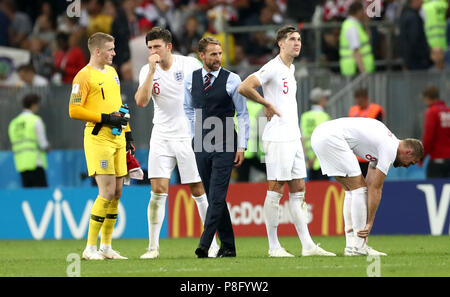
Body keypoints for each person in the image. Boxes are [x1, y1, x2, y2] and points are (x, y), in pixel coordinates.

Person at [238, 25, 335, 257]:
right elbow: (244, 86)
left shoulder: (290, 70)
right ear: (280, 43)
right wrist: (266, 104)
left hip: (292, 136)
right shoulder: (272, 67)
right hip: (278, 136)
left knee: (299, 188)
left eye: (299, 39)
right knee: (275, 189)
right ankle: (273, 247)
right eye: (292, 39)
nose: (297, 42)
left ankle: (308, 245)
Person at [134, 27, 220, 259]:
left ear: (169, 47)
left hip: (188, 136)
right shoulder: (146, 70)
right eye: (150, 48)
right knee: (158, 190)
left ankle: (211, 243)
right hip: (161, 135)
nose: (153, 51)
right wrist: (151, 72)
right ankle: (152, 248)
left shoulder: (189, 65)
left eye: (157, 47)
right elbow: (141, 101)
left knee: (197, 189)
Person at [311, 117, 424, 255]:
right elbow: (376, 188)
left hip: (319, 135)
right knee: (358, 189)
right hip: (331, 138)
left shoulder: (386, 141)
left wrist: (367, 220)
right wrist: (369, 223)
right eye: (411, 162)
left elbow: (370, 184)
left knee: (352, 190)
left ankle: (351, 246)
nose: (407, 167)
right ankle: (359, 246)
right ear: (408, 152)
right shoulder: (389, 148)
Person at [184, 36, 250, 258]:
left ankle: (204, 243)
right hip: (201, 142)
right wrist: (194, 136)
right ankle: (228, 247)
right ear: (201, 55)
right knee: (215, 196)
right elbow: (188, 109)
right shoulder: (191, 80)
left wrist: (241, 146)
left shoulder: (232, 79)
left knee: (217, 194)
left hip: (225, 141)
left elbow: (242, 114)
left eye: (220, 53)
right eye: (213, 54)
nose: (218, 58)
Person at [69, 32, 131, 260]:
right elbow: (74, 110)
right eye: (110, 49)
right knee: (105, 191)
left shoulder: (113, 73)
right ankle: (89, 248)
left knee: (116, 193)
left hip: (117, 137)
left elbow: (118, 106)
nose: (114, 53)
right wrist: (104, 118)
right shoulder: (83, 77)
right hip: (98, 138)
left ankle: (106, 247)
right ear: (97, 51)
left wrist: (129, 134)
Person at [8, 93, 49, 188]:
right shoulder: (35, 120)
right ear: (34, 105)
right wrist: (47, 148)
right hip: (36, 162)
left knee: (28, 195)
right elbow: (43, 144)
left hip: (21, 163)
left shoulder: (13, 123)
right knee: (41, 196)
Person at [348, 88, 385, 177]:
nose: (358, 102)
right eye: (356, 100)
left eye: (360, 100)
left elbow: (379, 131)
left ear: (366, 98)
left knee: (371, 183)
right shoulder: (353, 110)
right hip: (355, 156)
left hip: (370, 154)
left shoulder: (376, 110)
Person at [300, 88, 332, 181]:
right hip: (322, 160)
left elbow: (302, 139)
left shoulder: (304, 116)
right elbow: (323, 140)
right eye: (325, 98)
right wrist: (314, 159)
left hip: (308, 162)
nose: (326, 100)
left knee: (312, 190)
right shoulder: (325, 117)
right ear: (321, 100)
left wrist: (308, 159)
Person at [339, 1, 375, 76]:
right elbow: (356, 51)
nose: (364, 14)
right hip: (356, 69)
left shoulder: (355, 25)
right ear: (358, 11)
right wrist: (363, 72)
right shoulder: (352, 27)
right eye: (362, 11)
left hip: (355, 69)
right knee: (359, 88)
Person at [421, 85, 450, 178]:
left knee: (436, 188)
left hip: (437, 160)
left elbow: (429, 138)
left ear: (428, 98)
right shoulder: (448, 111)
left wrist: (422, 156)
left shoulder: (432, 112)